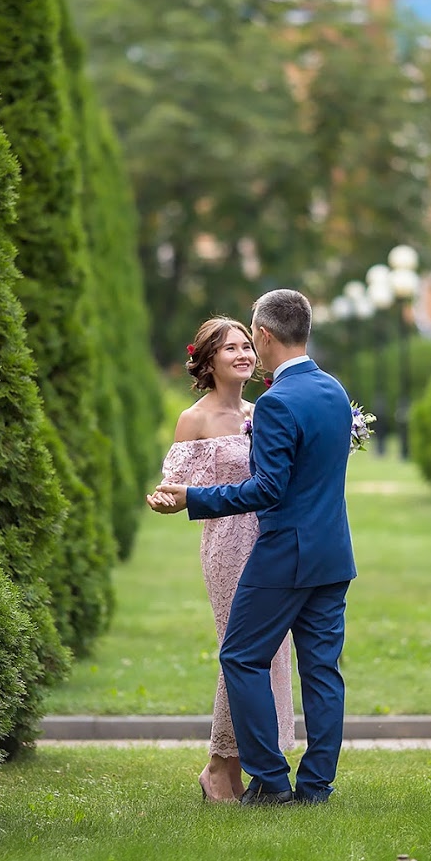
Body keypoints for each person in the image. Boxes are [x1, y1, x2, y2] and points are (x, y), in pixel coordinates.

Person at [149, 289, 355, 806]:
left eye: (250, 339)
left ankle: (268, 780)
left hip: (283, 555)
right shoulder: (333, 391)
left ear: (264, 334)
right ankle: (315, 788)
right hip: (333, 554)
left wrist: (193, 497)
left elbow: (269, 489)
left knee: (241, 657)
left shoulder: (277, 403)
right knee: (323, 671)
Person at [159, 317, 295, 803]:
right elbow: (173, 484)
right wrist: (168, 499)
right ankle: (219, 767)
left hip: (271, 538)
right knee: (240, 651)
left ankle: (239, 765)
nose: (243, 355)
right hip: (227, 543)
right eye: (230, 348)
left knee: (270, 651)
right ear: (209, 360)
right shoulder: (194, 419)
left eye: (246, 346)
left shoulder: (263, 412)